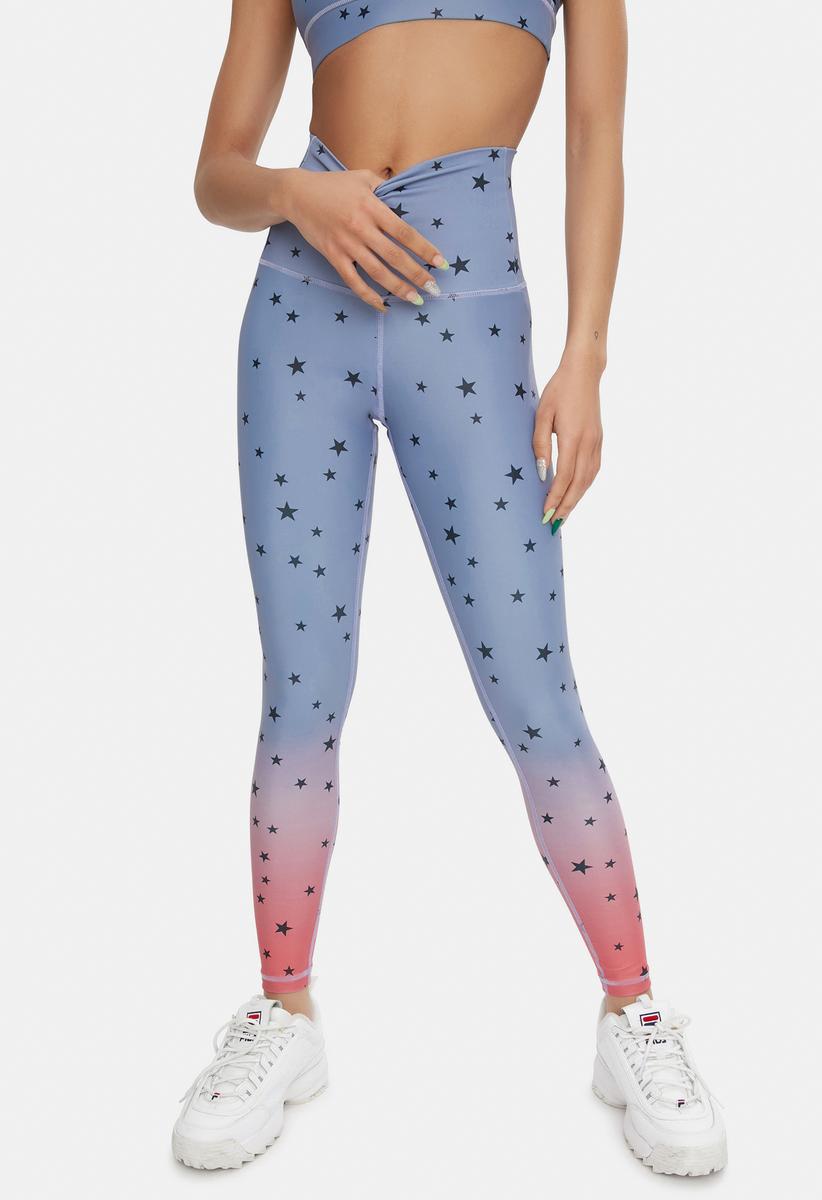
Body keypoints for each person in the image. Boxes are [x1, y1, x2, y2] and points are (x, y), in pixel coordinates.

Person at [172, 0, 726, 1176]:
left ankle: (633, 1011)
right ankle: (283, 1010)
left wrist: (586, 357)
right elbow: (217, 174)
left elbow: (596, 132)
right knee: (301, 694)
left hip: (470, 327)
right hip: (298, 319)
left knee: (537, 696)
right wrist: (295, 194)